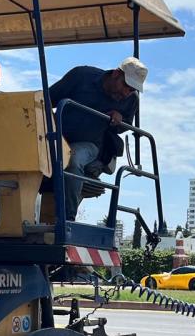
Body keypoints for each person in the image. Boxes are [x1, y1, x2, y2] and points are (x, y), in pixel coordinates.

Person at [46, 58, 147, 220]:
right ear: (116, 74)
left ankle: (66, 221)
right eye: (126, 86)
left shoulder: (131, 99)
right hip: (55, 140)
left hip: (90, 145)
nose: (126, 93)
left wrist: (119, 120)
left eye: (132, 89)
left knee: (72, 159)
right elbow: (45, 100)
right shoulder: (81, 76)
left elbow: (126, 125)